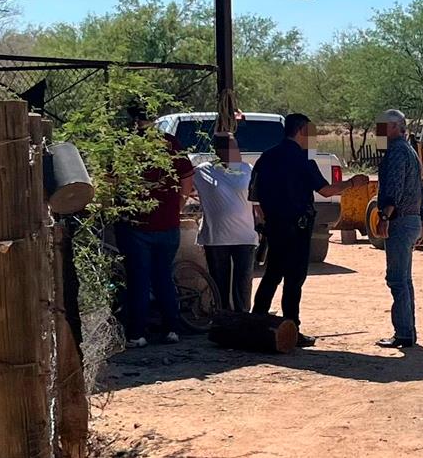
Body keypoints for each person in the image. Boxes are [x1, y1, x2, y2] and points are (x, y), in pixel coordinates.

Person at [250, 113, 368, 346]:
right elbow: (326, 191)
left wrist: (267, 220)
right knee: (294, 279)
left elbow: (255, 196)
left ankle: (256, 321)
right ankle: (292, 328)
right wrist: (352, 183)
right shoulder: (302, 160)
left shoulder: (266, 157)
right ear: (301, 130)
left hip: (275, 225)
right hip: (297, 226)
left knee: (272, 273)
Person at [118, 103, 194, 348]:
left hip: (137, 225)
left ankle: (137, 334)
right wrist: (178, 207)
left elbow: (112, 180)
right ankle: (172, 328)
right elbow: (186, 178)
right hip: (168, 224)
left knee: (139, 279)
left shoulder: (126, 145)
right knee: (163, 277)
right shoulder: (170, 143)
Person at [374, 109, 423, 349]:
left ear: (395, 127)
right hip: (412, 219)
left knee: (396, 279)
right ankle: (408, 331)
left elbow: (393, 187)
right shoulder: (410, 151)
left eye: (383, 126)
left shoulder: (396, 151)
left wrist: (384, 215)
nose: (379, 131)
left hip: (401, 220)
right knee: (405, 279)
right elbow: (420, 188)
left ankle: (404, 333)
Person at [193, 133, 258, 313]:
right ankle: (223, 320)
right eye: (231, 147)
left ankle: (243, 319)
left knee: (243, 284)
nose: (236, 151)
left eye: (236, 146)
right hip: (216, 238)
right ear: (219, 151)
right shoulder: (203, 171)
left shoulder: (247, 169)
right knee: (220, 283)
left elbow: (257, 201)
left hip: (245, 236)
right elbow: (185, 185)